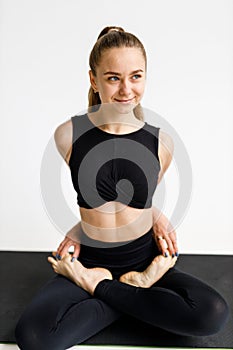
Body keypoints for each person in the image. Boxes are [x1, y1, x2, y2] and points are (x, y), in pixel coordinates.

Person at [15, 26, 229, 350]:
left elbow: (133, 203)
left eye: (136, 76)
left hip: (144, 262)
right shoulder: (68, 135)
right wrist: (79, 235)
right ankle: (135, 298)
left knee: (211, 314)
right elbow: (105, 205)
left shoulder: (161, 143)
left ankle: (104, 288)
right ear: (93, 79)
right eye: (113, 77)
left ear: (145, 77)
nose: (126, 89)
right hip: (91, 258)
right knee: (33, 336)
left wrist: (155, 217)